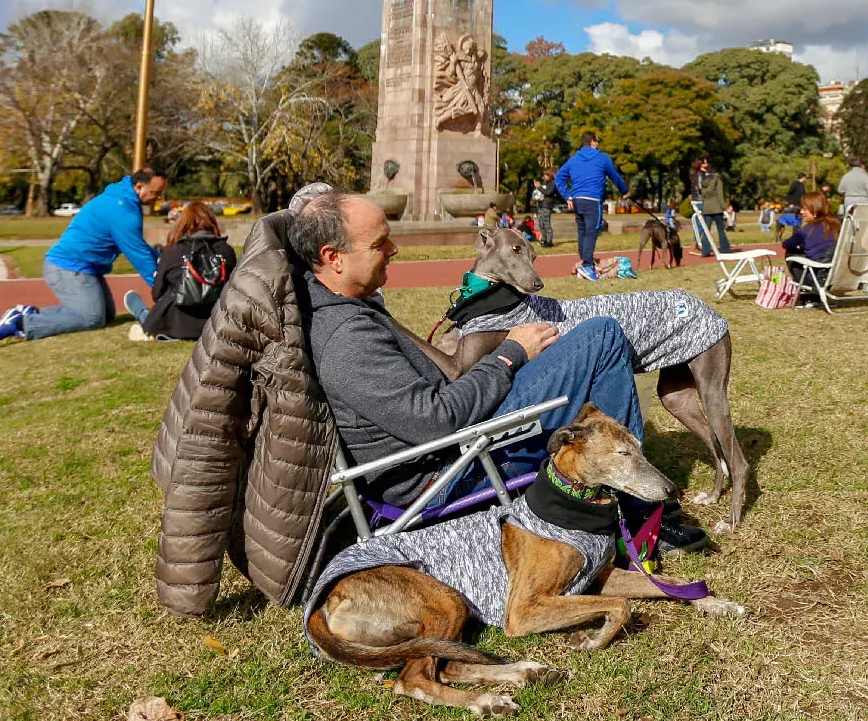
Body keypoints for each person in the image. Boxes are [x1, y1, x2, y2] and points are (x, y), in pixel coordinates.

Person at [291, 190, 705, 551]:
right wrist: (510, 353)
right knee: (602, 337)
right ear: (334, 259)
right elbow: (436, 421)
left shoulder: (347, 308)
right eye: (380, 243)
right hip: (450, 470)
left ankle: (616, 488)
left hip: (458, 437)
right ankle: (637, 520)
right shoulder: (347, 338)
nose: (394, 249)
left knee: (600, 336)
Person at [0, 169, 167, 349]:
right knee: (91, 318)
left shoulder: (120, 198)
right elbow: (139, 255)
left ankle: (27, 313)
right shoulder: (123, 211)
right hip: (68, 268)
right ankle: (22, 325)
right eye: (155, 193)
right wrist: (163, 290)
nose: (158, 198)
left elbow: (140, 247)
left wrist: (163, 262)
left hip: (86, 268)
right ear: (138, 187)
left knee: (105, 315)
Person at [123, 201, 238, 342]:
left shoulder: (172, 252)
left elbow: (157, 293)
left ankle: (138, 308)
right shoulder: (226, 252)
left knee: (143, 311)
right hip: (216, 323)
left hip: (174, 325)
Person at [554, 132, 627, 281]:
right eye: (597, 141)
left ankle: (583, 262)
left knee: (582, 232)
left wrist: (567, 196)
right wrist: (625, 190)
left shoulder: (573, 160)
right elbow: (615, 176)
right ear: (593, 142)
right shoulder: (602, 158)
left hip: (577, 200)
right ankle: (587, 265)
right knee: (591, 232)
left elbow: (559, 177)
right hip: (593, 200)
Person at [781, 190, 840, 277]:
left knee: (791, 251)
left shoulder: (806, 231)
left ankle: (801, 281)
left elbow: (786, 244)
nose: (801, 212)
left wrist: (799, 245)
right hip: (836, 275)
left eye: (804, 209)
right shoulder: (837, 225)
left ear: (815, 211)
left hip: (817, 277)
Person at [690, 155, 733, 256]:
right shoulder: (714, 179)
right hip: (715, 207)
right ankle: (725, 248)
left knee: (706, 229)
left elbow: (702, 191)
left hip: (707, 207)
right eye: (705, 162)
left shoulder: (702, 179)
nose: (707, 164)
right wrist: (725, 208)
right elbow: (719, 194)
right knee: (720, 230)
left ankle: (705, 250)